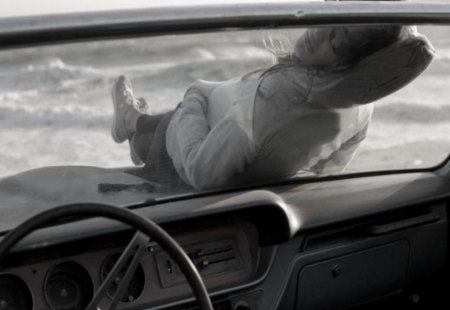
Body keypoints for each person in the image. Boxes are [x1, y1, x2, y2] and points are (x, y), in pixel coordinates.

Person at [110, 24, 434, 191]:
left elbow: (200, 172)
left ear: (354, 63)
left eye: (338, 41)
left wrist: (195, 95)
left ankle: (130, 123)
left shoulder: (268, 108)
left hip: (175, 152)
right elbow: (329, 169)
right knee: (167, 116)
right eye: (333, 18)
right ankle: (134, 116)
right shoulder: (361, 110)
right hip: (221, 126)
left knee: (162, 126)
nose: (317, 33)